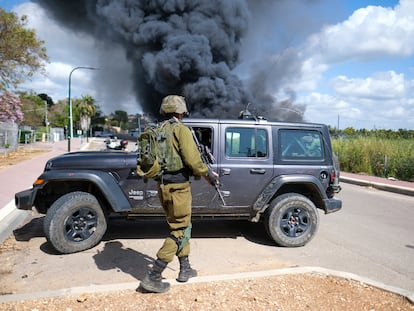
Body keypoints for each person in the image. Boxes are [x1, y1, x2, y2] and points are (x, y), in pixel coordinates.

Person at [139, 95, 218, 293]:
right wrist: (208, 173)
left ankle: (185, 269)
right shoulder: (180, 130)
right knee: (180, 230)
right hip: (179, 188)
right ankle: (154, 276)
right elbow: (193, 160)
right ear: (181, 111)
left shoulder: (156, 129)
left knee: (183, 225)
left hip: (163, 187)